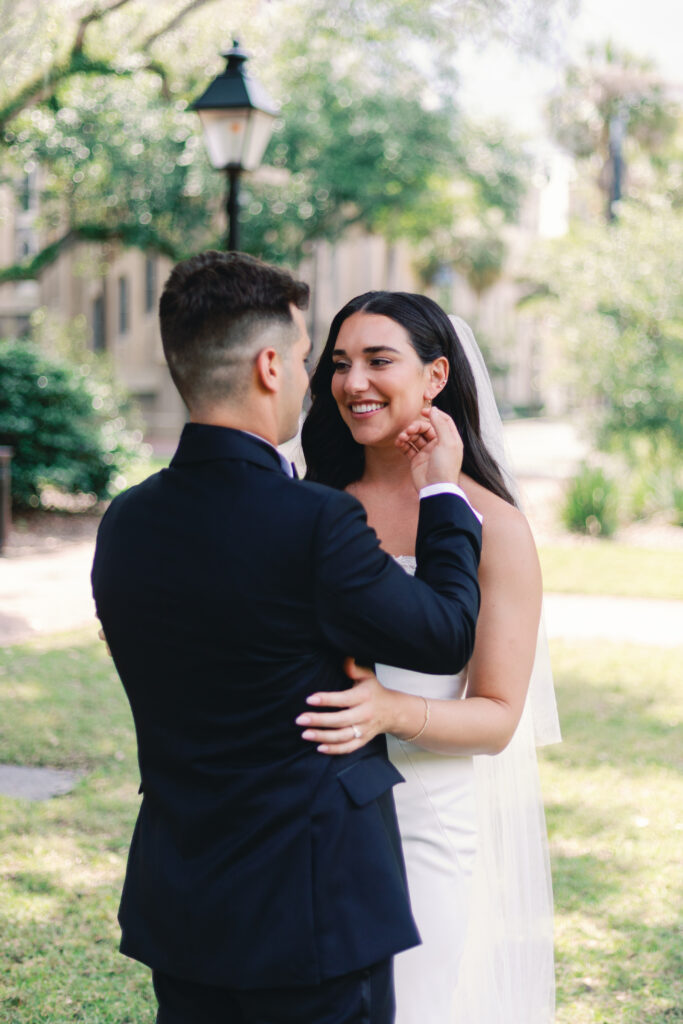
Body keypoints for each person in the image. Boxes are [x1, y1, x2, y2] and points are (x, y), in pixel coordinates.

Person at [91, 251, 484, 1024]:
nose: (318, 381)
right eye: (311, 359)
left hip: (183, 902)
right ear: (271, 366)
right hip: (315, 909)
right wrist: (441, 492)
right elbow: (442, 636)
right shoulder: (314, 522)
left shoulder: (124, 524)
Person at [300, 291, 561, 1023]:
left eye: (379, 361)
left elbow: (497, 718)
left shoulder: (495, 528)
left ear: (435, 376)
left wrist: (390, 711)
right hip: (302, 811)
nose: (353, 383)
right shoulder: (311, 502)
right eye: (340, 363)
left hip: (424, 821)